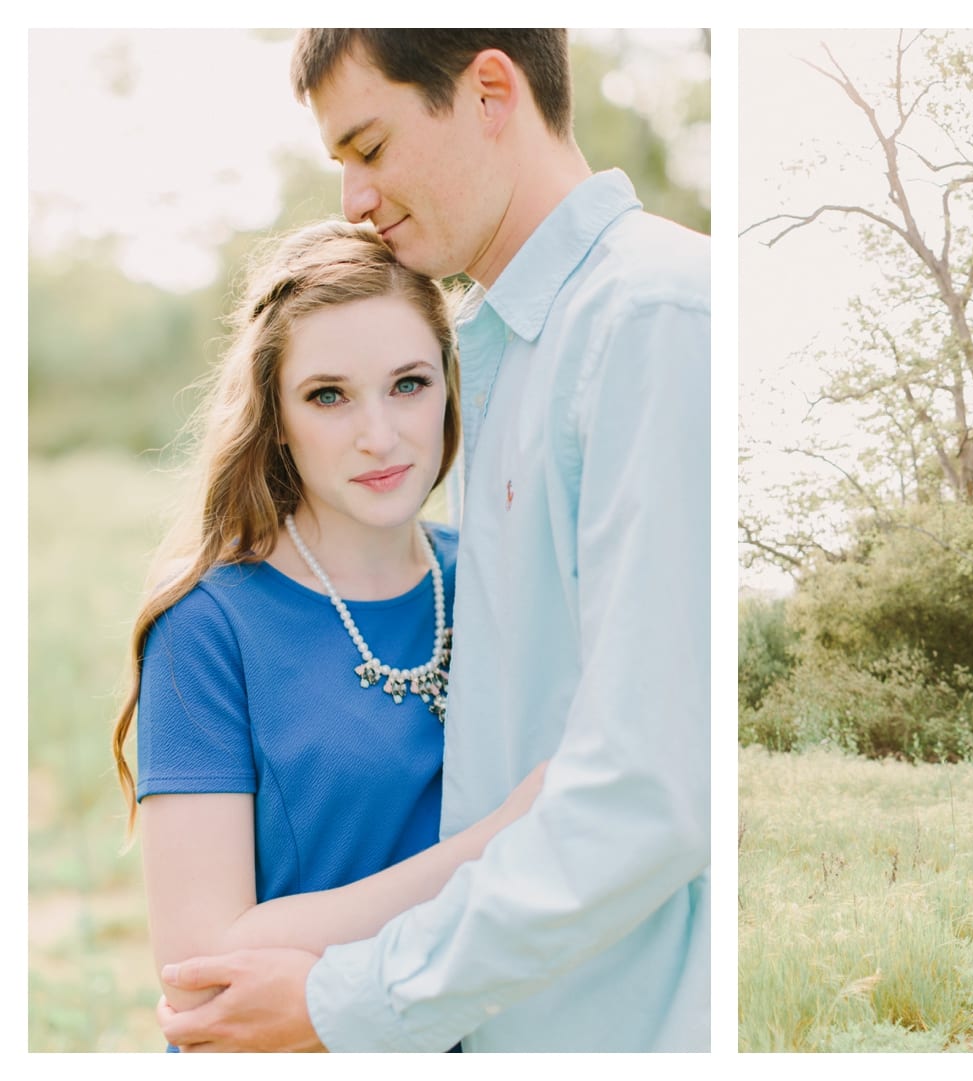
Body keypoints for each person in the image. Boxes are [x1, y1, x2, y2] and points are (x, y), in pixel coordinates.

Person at [157, 29, 709, 1052]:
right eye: (327, 394)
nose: (354, 199)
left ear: (489, 91)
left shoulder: (652, 319)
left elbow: (653, 790)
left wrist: (347, 1001)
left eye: (368, 148)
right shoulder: (513, 351)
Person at [110, 221, 547, 1048]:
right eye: (328, 394)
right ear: (275, 418)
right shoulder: (206, 627)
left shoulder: (497, 580)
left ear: (451, 386)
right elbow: (202, 964)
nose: (378, 434)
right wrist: (497, 847)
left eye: (409, 384)